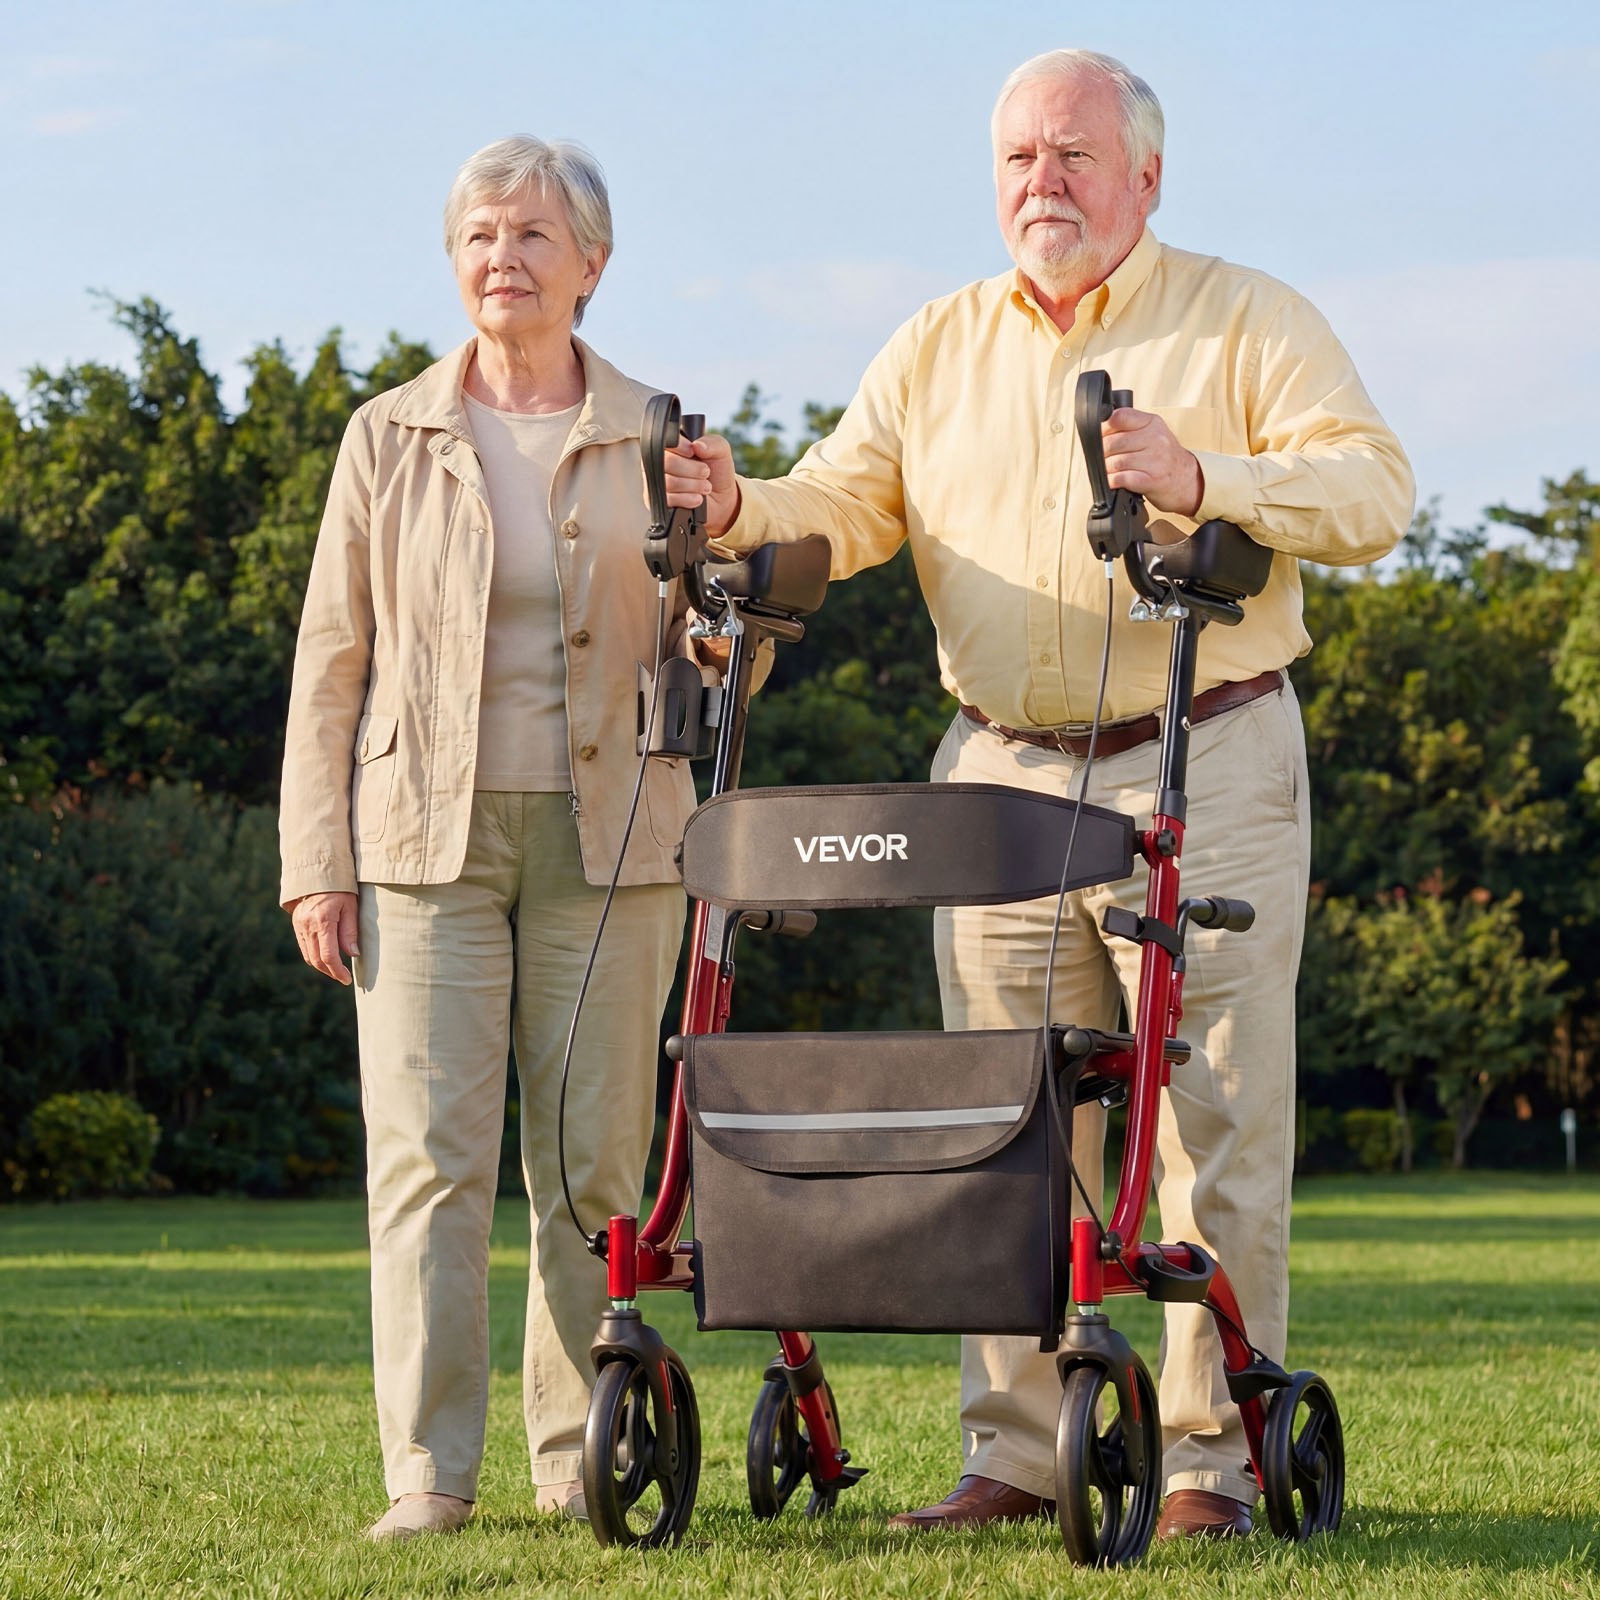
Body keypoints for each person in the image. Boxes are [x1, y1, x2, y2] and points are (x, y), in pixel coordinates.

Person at [664, 50, 1413, 1539]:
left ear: (1145, 175)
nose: (1040, 183)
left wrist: (1208, 475)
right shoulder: (937, 342)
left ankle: (1205, 1463)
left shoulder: (1248, 314)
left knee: (1209, 1120)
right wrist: (740, 505)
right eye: (1017, 158)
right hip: (997, 769)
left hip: (1202, 748)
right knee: (1002, 1122)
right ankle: (1014, 1449)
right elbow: (842, 503)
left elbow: (1376, 493)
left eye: (1071, 157)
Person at [280, 136, 699, 1542]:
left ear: (591, 263)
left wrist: (722, 573)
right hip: (420, 839)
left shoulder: (663, 432)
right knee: (427, 1161)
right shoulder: (386, 434)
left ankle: (580, 1451)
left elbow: (729, 664)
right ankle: (428, 1474)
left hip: (618, 838)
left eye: (530, 234)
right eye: (477, 235)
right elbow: (331, 663)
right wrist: (315, 859)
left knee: (591, 1168)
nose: (500, 257)